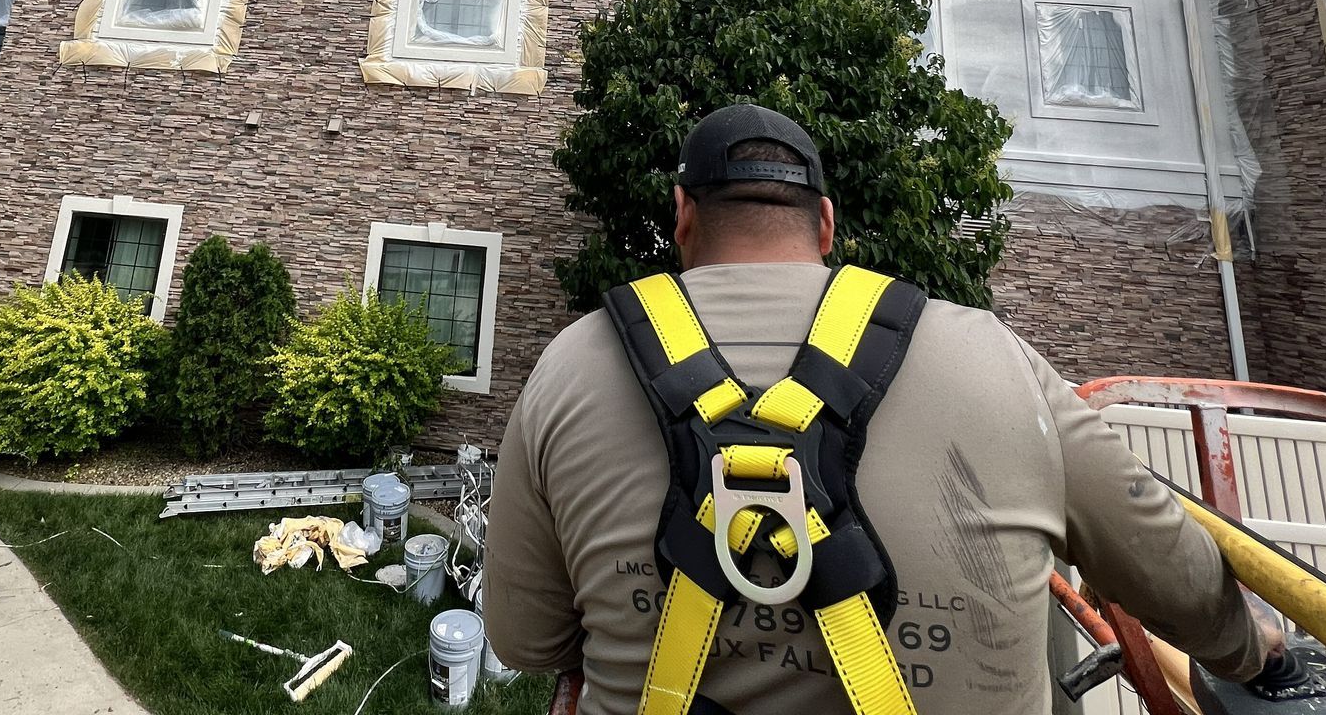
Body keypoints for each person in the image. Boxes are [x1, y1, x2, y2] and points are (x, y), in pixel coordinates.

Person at [484, 103, 1276, 715]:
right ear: (826, 224)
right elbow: (1176, 577)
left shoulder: (572, 364)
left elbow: (528, 641)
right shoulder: (992, 355)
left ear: (682, 215)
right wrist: (1263, 658)